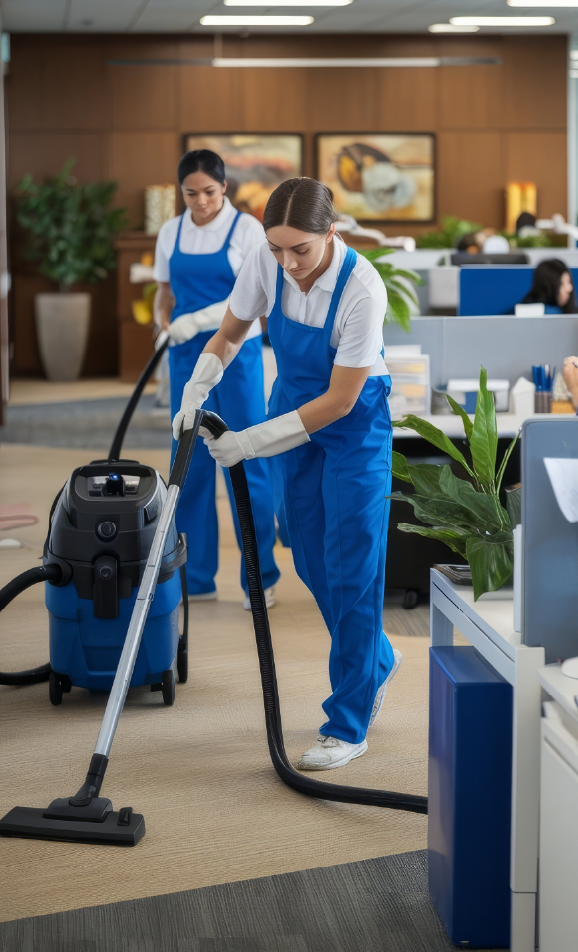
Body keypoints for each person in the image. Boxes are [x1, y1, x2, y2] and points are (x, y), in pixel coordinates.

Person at [172, 177, 401, 771]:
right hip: (291, 411)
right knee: (307, 556)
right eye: (277, 248)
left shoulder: (362, 288)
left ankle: (347, 724)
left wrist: (248, 443)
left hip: (352, 426)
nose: (288, 263)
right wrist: (197, 387)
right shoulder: (266, 259)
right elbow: (231, 332)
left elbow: (340, 401)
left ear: (332, 232)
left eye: (300, 249)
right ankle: (375, 658)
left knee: (352, 567)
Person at [153, 149, 280, 607]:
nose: (201, 201)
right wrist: (163, 325)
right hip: (186, 355)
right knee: (188, 464)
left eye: (209, 191)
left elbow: (252, 297)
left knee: (246, 459)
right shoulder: (171, 232)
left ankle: (259, 579)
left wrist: (198, 319)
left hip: (236, 355)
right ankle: (196, 577)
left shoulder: (247, 230)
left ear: (224, 187)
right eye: (191, 193)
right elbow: (163, 294)